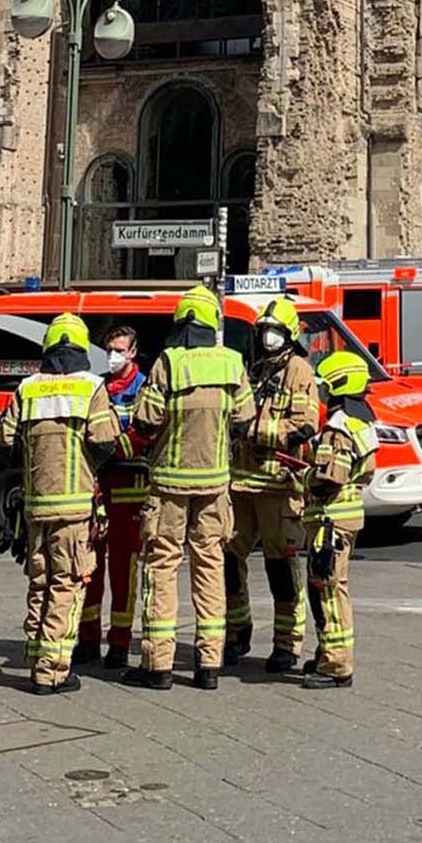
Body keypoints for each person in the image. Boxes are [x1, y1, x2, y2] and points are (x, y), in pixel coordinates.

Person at [124, 287, 255, 691]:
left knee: (162, 568)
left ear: (181, 323)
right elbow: (246, 419)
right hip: (215, 485)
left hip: (169, 485)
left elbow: (145, 420)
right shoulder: (232, 363)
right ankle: (209, 665)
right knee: (210, 566)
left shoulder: (169, 363)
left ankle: (158, 666)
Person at [0, 314, 122, 694]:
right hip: (74, 508)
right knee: (67, 584)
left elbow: (6, 445)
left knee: (39, 582)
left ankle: (36, 656)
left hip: (36, 505)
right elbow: (104, 443)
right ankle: (52, 671)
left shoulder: (27, 389)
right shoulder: (91, 388)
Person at [226, 298, 319, 672]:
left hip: (279, 485)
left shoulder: (299, 371)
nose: (268, 336)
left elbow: (304, 425)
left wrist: (255, 431)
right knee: (229, 560)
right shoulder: (256, 369)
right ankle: (236, 631)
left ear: (289, 335)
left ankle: (287, 645)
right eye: (265, 329)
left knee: (281, 568)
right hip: (242, 484)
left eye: (275, 331)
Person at [73, 325, 149, 670]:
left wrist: (111, 448)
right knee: (90, 565)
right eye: (110, 349)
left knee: (123, 569)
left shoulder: (144, 388)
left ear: (133, 352)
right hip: (98, 485)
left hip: (129, 486)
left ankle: (119, 642)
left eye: (120, 349)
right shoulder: (98, 385)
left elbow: (144, 433)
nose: (113, 355)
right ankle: (87, 638)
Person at [302, 351, 379, 690]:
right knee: (332, 587)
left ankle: (336, 665)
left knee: (328, 591)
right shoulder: (362, 422)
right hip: (346, 519)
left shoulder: (338, 428)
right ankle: (328, 653)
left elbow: (330, 477)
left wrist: (304, 475)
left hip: (329, 521)